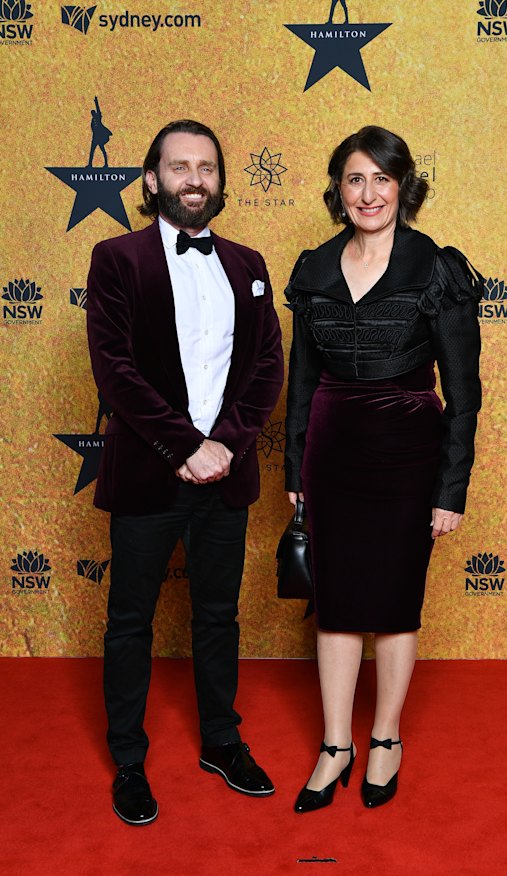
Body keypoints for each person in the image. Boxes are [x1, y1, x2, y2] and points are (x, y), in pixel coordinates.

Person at [87, 119, 284, 825]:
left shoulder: (250, 264)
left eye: (206, 167)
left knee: (217, 616)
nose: (194, 179)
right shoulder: (116, 258)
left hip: (225, 476)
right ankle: (129, 760)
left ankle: (222, 742)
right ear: (151, 179)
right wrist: (184, 446)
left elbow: (267, 367)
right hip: (149, 474)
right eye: (179, 167)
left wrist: (226, 444)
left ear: (219, 181)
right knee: (131, 621)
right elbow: (116, 370)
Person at [284, 126, 482, 812]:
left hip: (409, 452)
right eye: (354, 179)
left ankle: (386, 738)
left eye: (381, 179)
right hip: (331, 452)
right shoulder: (312, 268)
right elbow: (301, 380)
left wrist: (450, 489)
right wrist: (295, 468)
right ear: (338, 191)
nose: (368, 193)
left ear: (404, 188)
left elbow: (465, 391)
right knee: (335, 605)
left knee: (396, 607)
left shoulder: (436, 267)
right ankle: (335, 743)